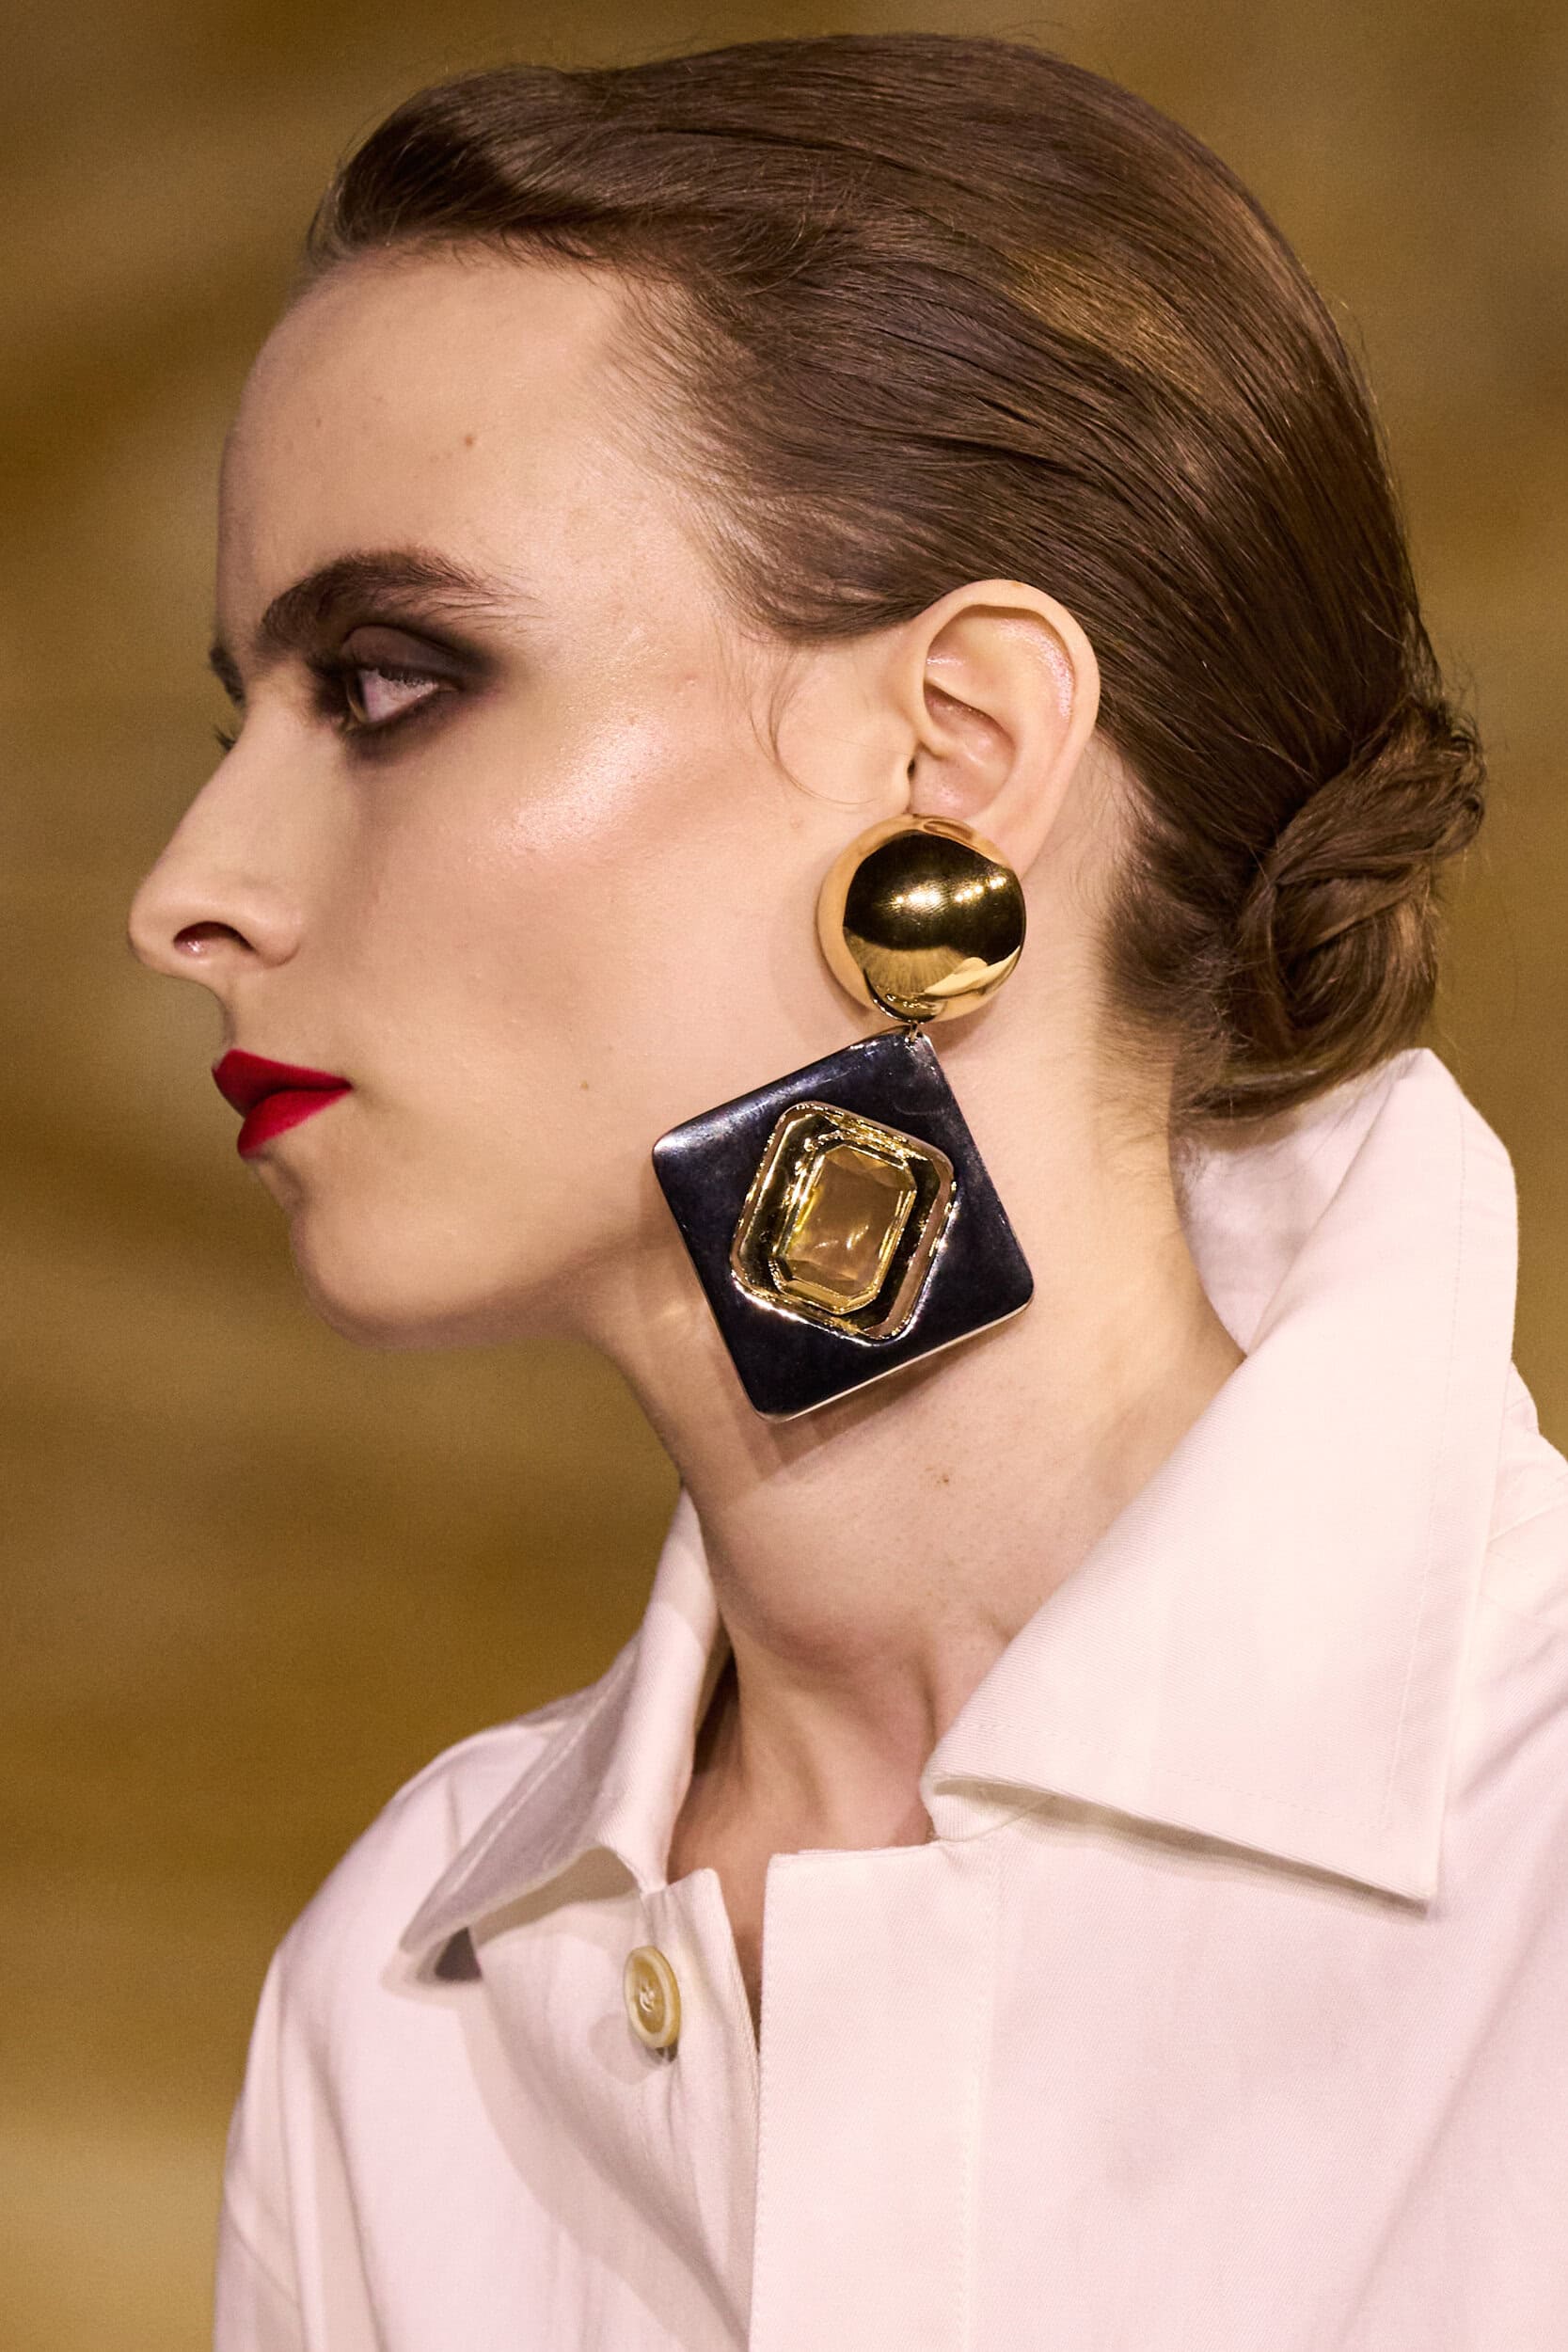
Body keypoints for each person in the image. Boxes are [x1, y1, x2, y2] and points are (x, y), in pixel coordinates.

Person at [125, 31, 1568, 2352]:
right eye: (245, 719)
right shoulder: (397, 2013)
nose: (190, 891)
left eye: (391, 685)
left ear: (959, 752)